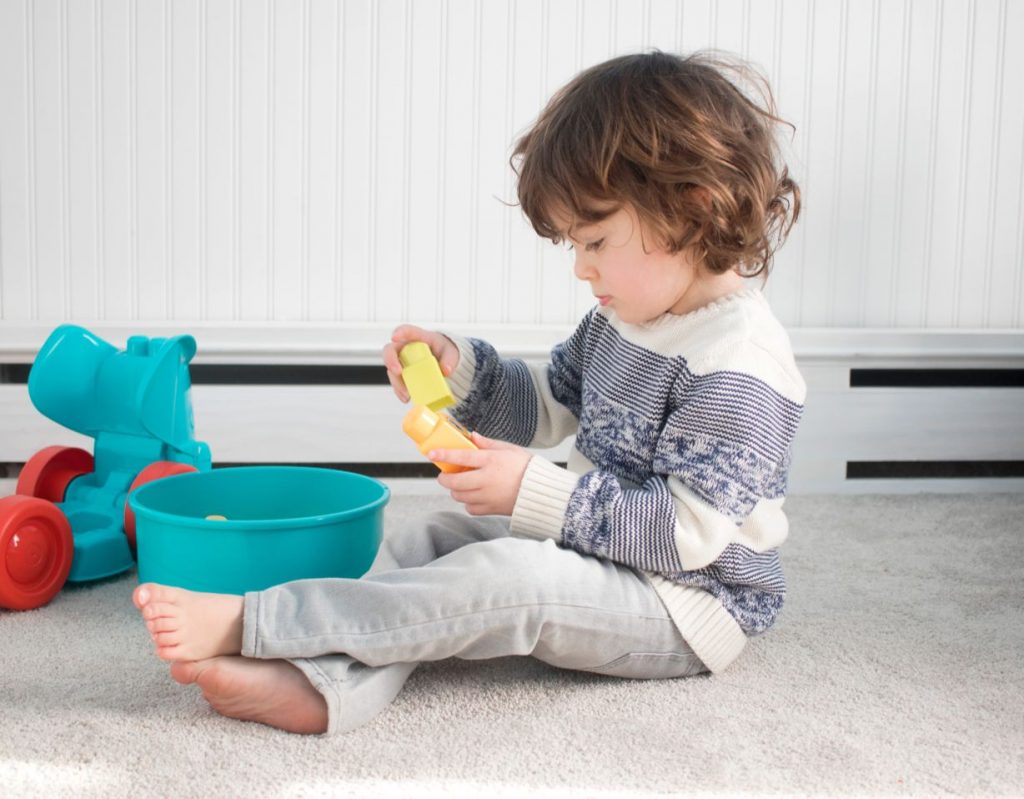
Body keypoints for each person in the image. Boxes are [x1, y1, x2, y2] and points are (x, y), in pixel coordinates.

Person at [133, 50, 806, 735]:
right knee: (434, 534)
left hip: (683, 605)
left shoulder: (738, 362)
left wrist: (535, 493)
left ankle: (260, 621)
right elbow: (548, 403)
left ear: (690, 208)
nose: (581, 267)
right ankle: (325, 686)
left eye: (596, 239)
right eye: (575, 244)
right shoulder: (622, 318)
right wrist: (461, 373)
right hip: (599, 551)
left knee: (507, 576)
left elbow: (686, 534)